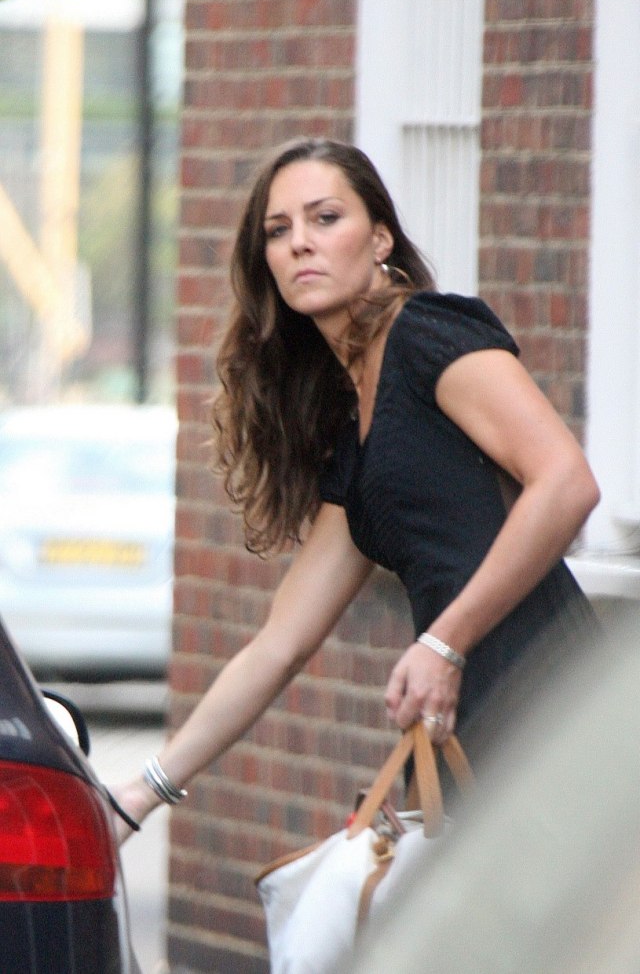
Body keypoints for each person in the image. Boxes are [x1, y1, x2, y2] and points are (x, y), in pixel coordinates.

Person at [108, 137, 600, 840]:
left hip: (552, 705)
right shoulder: (358, 435)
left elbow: (567, 482)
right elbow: (279, 646)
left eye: (325, 218)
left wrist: (444, 644)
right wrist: (139, 796)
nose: (300, 243)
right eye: (278, 231)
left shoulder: (428, 335)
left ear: (380, 239)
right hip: (463, 728)